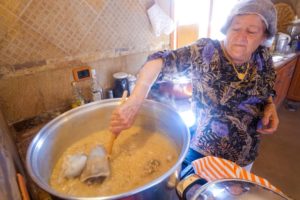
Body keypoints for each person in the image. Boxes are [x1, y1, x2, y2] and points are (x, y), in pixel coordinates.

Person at [109, 0, 279, 176]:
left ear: (264, 37)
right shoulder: (206, 51)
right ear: (227, 27)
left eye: (251, 32)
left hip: (246, 155)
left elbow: (266, 86)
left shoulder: (263, 56)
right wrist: (135, 100)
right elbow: (159, 61)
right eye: (236, 28)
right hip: (204, 154)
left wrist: (269, 105)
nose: (241, 37)